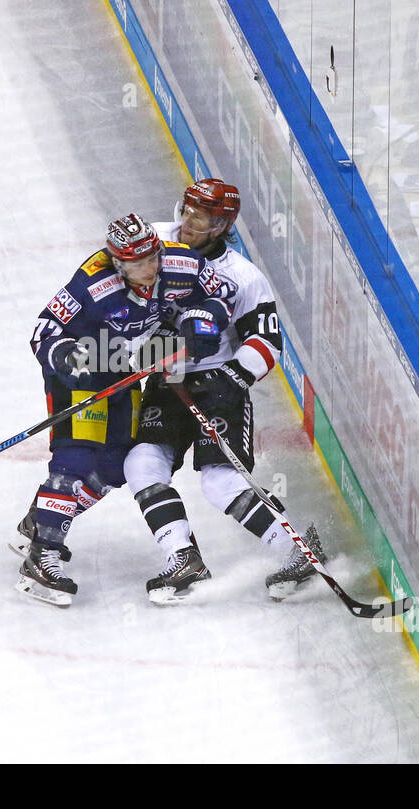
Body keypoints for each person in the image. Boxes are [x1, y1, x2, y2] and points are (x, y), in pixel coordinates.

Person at [13, 214, 235, 607]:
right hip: (82, 371)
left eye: (152, 257)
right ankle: (41, 555)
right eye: (136, 264)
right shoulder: (92, 282)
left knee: (115, 464)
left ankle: (41, 519)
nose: (149, 268)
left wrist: (202, 322)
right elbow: (43, 332)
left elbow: (220, 295)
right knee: (76, 456)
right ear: (118, 263)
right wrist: (67, 355)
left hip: (125, 369)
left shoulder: (180, 262)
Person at [120, 178, 322, 604]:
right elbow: (117, 297)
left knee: (218, 481)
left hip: (216, 386)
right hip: (165, 383)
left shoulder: (243, 276)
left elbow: (266, 342)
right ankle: (183, 558)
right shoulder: (152, 243)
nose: (190, 220)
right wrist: (134, 351)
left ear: (222, 225)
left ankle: (298, 549)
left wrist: (229, 378)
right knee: (141, 464)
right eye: (189, 209)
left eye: (203, 216)